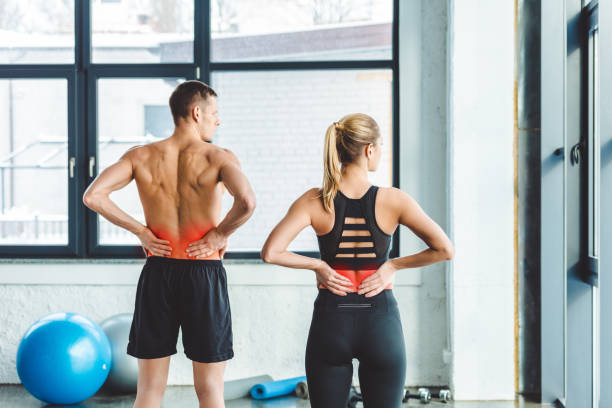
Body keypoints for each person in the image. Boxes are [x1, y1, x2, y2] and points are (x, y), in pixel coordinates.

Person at [260, 113, 454, 408]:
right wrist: (392, 265)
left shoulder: (315, 200)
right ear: (369, 150)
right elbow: (444, 249)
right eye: (380, 146)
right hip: (380, 323)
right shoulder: (394, 200)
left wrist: (319, 265)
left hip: (331, 322)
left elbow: (271, 251)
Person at [83, 80, 255, 408]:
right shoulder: (219, 157)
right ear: (196, 112)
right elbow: (246, 202)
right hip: (203, 273)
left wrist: (141, 232)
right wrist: (220, 235)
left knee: (149, 391)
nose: (218, 121)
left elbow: (93, 196)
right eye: (214, 113)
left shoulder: (141, 156)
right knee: (210, 391)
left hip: (158, 271)